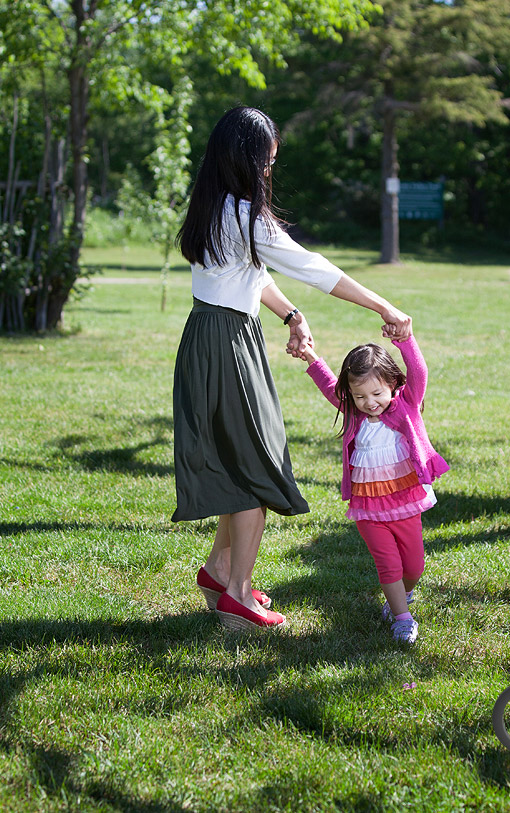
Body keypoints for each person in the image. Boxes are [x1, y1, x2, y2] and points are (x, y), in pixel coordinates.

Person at [173, 106, 412, 632]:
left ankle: (218, 571)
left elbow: (249, 278)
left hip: (211, 336)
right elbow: (315, 268)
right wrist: (384, 308)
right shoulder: (245, 216)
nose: (268, 171)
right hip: (228, 344)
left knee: (242, 459)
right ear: (246, 159)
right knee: (258, 465)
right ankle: (236, 595)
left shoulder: (212, 209)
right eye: (265, 161)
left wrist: (292, 315)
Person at [296, 335, 449, 644]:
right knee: (388, 562)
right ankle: (402, 617)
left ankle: (401, 597)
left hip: (406, 500)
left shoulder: (406, 403)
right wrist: (311, 357)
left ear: (392, 384)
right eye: (360, 396)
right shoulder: (354, 413)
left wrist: (406, 341)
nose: (369, 402)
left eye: (377, 393)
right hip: (368, 507)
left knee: (414, 565)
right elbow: (330, 386)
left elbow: (419, 373)